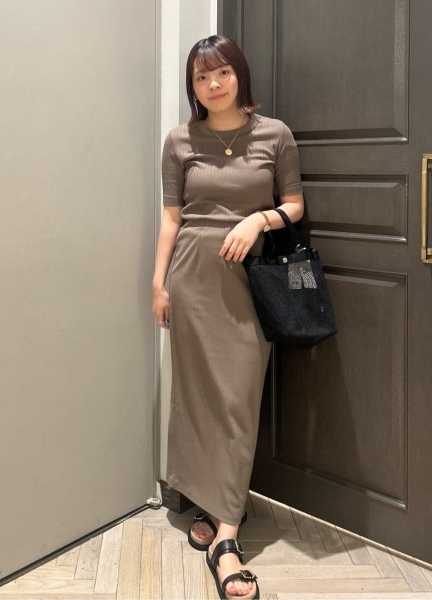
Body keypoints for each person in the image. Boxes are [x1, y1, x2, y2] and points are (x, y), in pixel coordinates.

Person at [152, 35, 304, 600]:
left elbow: (295, 205)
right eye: (200, 77)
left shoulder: (274, 134)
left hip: (250, 282)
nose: (212, 84)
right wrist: (158, 283)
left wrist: (258, 219)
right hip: (191, 277)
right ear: (192, 87)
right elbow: (171, 218)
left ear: (239, 75)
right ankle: (213, 512)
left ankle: (225, 532)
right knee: (196, 398)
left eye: (221, 73)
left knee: (238, 401)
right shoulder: (179, 140)